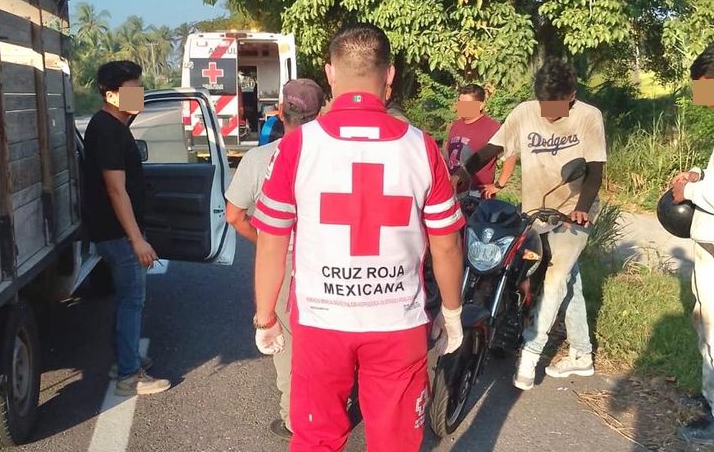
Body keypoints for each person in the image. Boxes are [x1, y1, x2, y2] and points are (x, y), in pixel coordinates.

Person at [251, 23, 465, 451]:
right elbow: (445, 243)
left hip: (319, 322)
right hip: (397, 322)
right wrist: (453, 312)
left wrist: (265, 316)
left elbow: (272, 240)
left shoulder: (296, 147)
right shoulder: (423, 148)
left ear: (330, 74)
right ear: (389, 76)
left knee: (315, 438)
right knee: (397, 442)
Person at [454, 57, 606, 390]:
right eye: (544, 105)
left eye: (557, 106)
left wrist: (581, 208)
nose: (549, 114)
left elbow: (594, 170)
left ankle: (530, 352)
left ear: (573, 94)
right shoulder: (524, 112)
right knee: (568, 280)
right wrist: (463, 171)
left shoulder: (588, 117)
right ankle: (582, 355)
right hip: (535, 210)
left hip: (572, 214)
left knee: (555, 278)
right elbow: (494, 146)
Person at [224, 79, 326, 440]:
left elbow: (234, 215)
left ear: (281, 112)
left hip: (286, 268)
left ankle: (296, 421)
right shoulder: (337, 155)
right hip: (332, 266)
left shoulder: (258, 159)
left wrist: (269, 242)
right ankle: (335, 405)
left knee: (289, 350)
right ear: (320, 113)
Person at [83, 60, 170, 396]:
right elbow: (115, 189)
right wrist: (136, 240)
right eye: (133, 90)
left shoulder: (115, 126)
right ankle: (129, 377)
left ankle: (125, 360)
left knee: (127, 301)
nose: (139, 95)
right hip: (117, 233)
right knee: (132, 301)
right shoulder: (105, 129)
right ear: (112, 94)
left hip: (117, 231)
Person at [670, 43, 714, 445]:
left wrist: (687, 192)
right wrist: (699, 172)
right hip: (708, 251)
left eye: (704, 88)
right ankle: (709, 399)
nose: (702, 99)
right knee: (705, 326)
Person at [443, 84, 517, 198]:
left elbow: (510, 156)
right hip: (453, 193)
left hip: (477, 197)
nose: (460, 107)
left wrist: (498, 185)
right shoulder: (456, 126)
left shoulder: (493, 128)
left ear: (480, 105)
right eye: (459, 102)